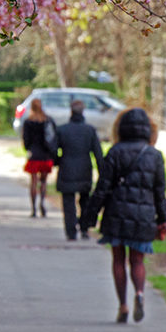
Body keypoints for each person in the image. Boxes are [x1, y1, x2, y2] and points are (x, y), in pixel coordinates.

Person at [81, 108, 166, 324]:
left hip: (116, 213)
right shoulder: (154, 156)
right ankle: (139, 293)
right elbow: (160, 192)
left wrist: (89, 217)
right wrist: (163, 219)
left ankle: (123, 306)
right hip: (144, 215)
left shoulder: (115, 152)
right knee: (137, 260)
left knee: (118, 259)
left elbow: (102, 188)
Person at [55, 99, 104, 241]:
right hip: (84, 168)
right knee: (85, 200)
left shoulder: (62, 130)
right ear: (83, 112)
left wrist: (58, 161)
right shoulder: (89, 130)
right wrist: (103, 172)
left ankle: (71, 231)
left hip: (66, 168)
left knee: (68, 202)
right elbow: (98, 153)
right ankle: (84, 228)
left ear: (71, 111)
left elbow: (53, 150)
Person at [21, 98, 58, 218]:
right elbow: (54, 136)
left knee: (33, 182)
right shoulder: (48, 120)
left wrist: (28, 149)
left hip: (34, 155)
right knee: (43, 182)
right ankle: (42, 203)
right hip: (46, 155)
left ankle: (33, 209)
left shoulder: (28, 122)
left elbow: (26, 140)